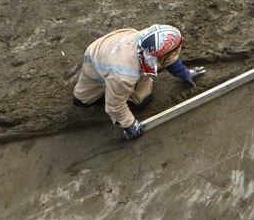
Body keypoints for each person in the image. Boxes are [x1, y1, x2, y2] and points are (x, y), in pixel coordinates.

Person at [72, 24, 205, 141]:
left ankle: (125, 93)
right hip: (97, 57)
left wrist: (184, 73)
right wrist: (129, 124)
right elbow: (114, 105)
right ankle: (96, 93)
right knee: (82, 100)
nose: (175, 52)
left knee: (143, 100)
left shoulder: (151, 38)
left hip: (120, 46)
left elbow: (168, 56)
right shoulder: (124, 76)